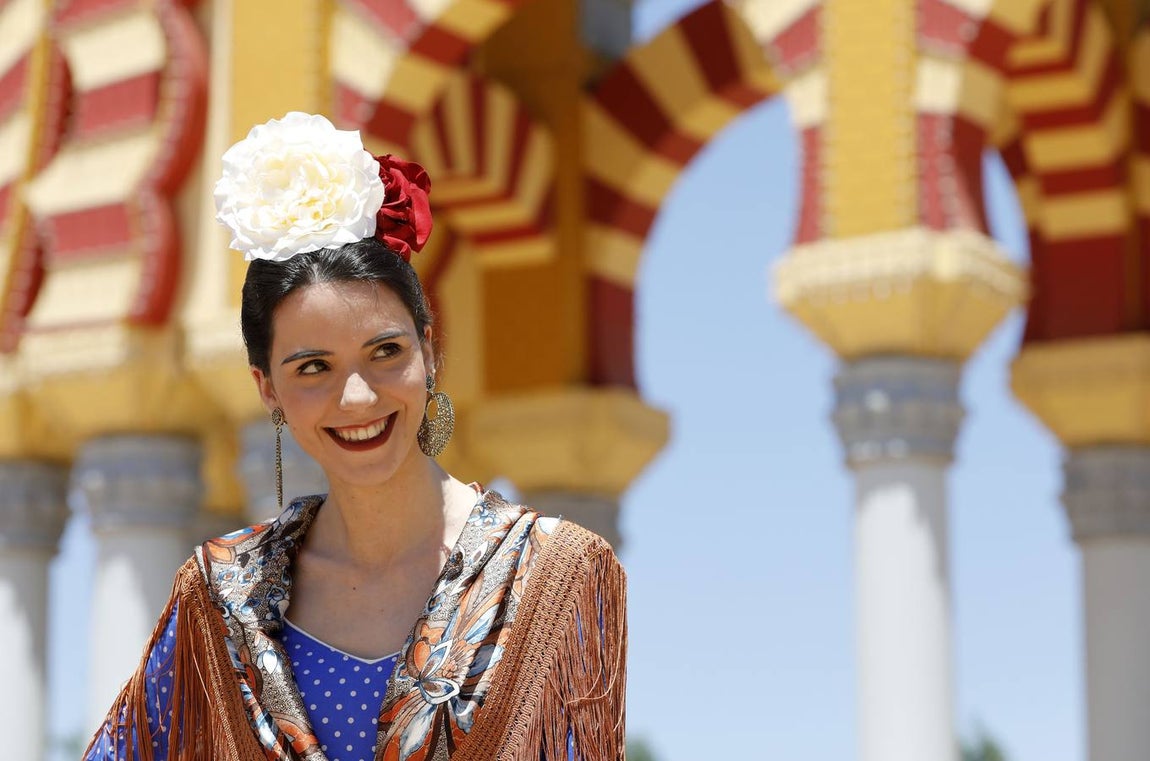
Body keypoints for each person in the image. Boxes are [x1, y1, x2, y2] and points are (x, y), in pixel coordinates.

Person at [83, 112, 626, 761]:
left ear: (429, 350)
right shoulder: (220, 596)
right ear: (267, 389)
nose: (359, 397)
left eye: (385, 351)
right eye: (313, 367)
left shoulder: (554, 577)